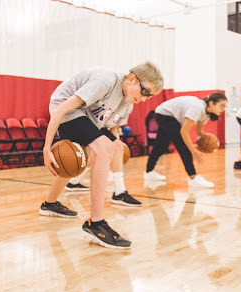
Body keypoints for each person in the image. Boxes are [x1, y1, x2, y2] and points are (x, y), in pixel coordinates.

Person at [39, 62, 164, 249]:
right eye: (145, 92)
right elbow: (60, 110)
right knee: (101, 148)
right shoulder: (106, 80)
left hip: (86, 117)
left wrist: (115, 145)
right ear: (131, 79)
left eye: (150, 96)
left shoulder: (127, 102)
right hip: (66, 110)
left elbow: (111, 127)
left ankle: (49, 204)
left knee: (78, 159)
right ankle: (96, 224)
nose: (145, 99)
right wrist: (47, 148)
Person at [144, 93, 227, 188]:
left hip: (166, 114)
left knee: (161, 146)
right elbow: (184, 132)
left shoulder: (207, 113)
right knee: (184, 147)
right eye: (222, 106)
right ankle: (193, 177)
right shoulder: (198, 108)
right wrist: (194, 151)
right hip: (165, 114)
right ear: (212, 103)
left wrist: (204, 141)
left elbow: (199, 130)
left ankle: (148, 172)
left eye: (225, 107)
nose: (223, 109)